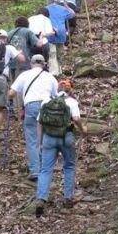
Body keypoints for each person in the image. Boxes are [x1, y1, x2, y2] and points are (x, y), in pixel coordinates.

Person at [34, 79, 87, 216]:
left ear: (57, 90)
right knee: (69, 166)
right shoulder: (72, 102)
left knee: (45, 169)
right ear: (71, 90)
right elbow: (75, 119)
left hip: (48, 138)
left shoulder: (47, 101)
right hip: (66, 137)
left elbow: (39, 122)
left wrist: (39, 143)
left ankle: (41, 198)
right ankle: (68, 198)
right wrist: (83, 129)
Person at [8, 54, 58, 180]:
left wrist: (10, 98)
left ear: (31, 63)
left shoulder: (24, 75)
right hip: (48, 107)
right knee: (47, 136)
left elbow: (11, 93)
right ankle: (46, 168)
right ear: (44, 64)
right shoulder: (50, 76)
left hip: (31, 106)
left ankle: (35, 170)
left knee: (32, 139)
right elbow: (56, 95)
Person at [46, 0, 75, 75]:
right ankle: (59, 70)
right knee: (59, 54)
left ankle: (55, 72)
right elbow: (73, 14)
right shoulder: (62, 9)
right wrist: (67, 6)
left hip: (50, 33)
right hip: (61, 34)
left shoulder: (45, 9)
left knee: (52, 54)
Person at [7, 16, 42, 81]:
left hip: (11, 63)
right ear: (27, 24)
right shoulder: (28, 32)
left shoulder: (10, 33)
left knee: (13, 86)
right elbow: (39, 44)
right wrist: (41, 37)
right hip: (24, 63)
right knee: (23, 84)